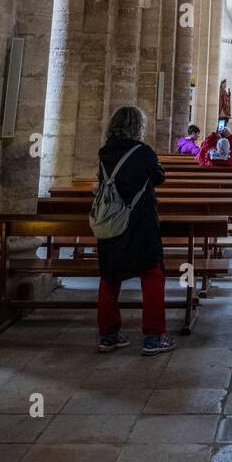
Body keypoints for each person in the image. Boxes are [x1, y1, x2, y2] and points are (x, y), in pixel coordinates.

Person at [95, 105, 175, 356]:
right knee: (151, 276)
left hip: (112, 221)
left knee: (110, 275)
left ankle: (108, 335)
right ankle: (153, 336)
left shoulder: (105, 152)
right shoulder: (143, 152)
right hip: (140, 223)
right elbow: (159, 177)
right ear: (137, 127)